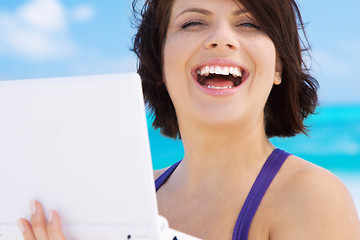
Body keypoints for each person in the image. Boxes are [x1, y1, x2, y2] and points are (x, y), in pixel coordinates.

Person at [18, 0, 360, 239]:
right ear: (160, 64)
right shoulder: (126, 197)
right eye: (193, 22)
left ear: (278, 67)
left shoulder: (311, 198)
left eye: (249, 23)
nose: (221, 38)